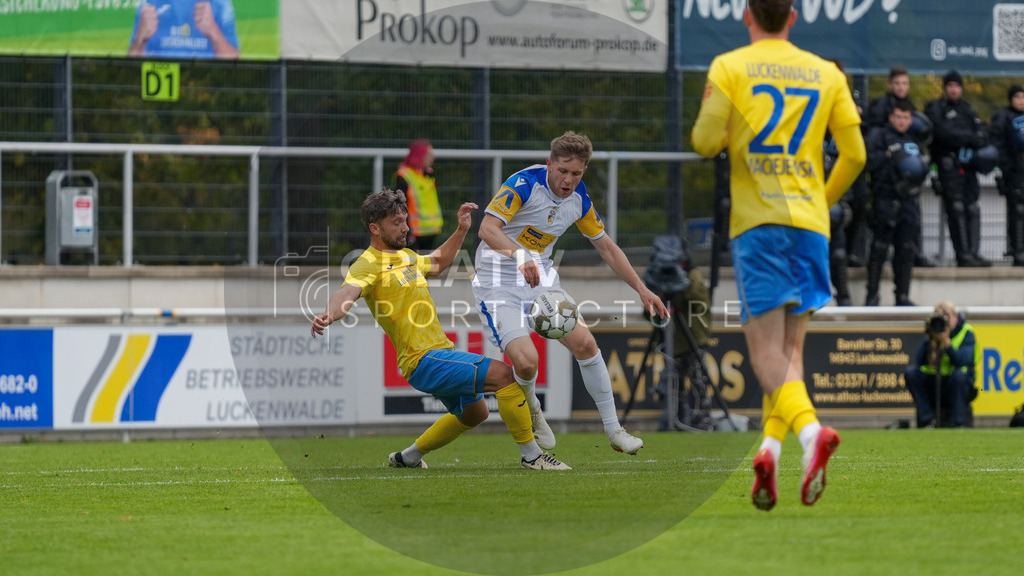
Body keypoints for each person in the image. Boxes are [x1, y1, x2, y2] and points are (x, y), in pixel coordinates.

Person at [691, 0, 864, 511]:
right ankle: (767, 452)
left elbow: (703, 142)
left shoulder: (730, 66)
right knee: (788, 356)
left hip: (760, 224)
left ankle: (811, 435)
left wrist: (727, 131)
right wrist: (820, 202)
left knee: (765, 354)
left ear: (747, 15)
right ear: (793, 16)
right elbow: (855, 156)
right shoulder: (826, 72)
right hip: (810, 225)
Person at [311, 189, 569, 471]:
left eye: (405, 220)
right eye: (396, 222)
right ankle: (532, 457)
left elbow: (436, 262)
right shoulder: (368, 263)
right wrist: (330, 314)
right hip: (423, 359)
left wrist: (461, 229)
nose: (405, 227)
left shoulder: (406, 256)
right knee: (506, 376)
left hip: (437, 355)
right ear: (375, 228)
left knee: (475, 414)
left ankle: (407, 457)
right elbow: (348, 291)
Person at [471, 130, 669, 456]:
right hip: (496, 284)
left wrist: (642, 289)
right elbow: (487, 229)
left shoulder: (580, 200)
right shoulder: (523, 184)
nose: (568, 179)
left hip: (541, 282)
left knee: (586, 343)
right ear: (550, 164)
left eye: (576, 173)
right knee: (527, 362)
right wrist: (519, 256)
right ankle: (533, 409)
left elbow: (606, 247)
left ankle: (615, 430)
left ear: (584, 172)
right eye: (562, 171)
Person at [865, 66, 937, 268]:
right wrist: (890, 152)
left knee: (907, 237)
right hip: (885, 186)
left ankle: (915, 257)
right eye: (897, 83)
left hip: (907, 187)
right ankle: (872, 295)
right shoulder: (879, 108)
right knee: (880, 242)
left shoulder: (912, 111)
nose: (901, 87)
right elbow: (870, 153)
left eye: (905, 83)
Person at [925, 70, 992, 267]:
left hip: (969, 167)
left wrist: (969, 137)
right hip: (948, 167)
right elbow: (943, 133)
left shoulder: (967, 109)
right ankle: (962, 254)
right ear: (945, 88)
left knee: (972, 207)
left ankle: (973, 253)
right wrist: (968, 137)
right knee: (956, 209)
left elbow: (982, 132)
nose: (954, 90)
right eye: (950, 86)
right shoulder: (936, 108)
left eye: (957, 86)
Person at [864, 100, 927, 306]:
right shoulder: (879, 135)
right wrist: (888, 156)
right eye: (898, 117)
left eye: (906, 118)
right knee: (880, 247)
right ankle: (872, 296)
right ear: (891, 117)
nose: (902, 121)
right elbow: (867, 162)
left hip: (909, 200)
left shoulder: (915, 139)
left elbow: (922, 166)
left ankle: (902, 295)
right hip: (885, 196)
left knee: (906, 248)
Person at [903, 301, 979, 428]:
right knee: (911, 372)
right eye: (939, 315)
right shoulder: (934, 330)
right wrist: (930, 338)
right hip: (934, 382)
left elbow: (963, 360)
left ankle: (958, 423)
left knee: (959, 376)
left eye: (946, 315)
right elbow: (919, 361)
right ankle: (927, 420)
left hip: (958, 384)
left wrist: (946, 343)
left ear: (955, 316)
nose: (943, 320)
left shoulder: (966, 332)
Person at [128, 1, 240, 59]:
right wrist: (140, 39)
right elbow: (128, 69)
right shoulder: (149, 3)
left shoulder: (219, 3)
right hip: (159, 96)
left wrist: (213, 31)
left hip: (205, 88)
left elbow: (235, 61)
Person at [990, 85, 1024, 266]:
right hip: (1013, 172)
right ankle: (1018, 250)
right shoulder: (1003, 117)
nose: (1021, 101)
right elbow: (997, 145)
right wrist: (1002, 169)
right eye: (1017, 97)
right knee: (1017, 210)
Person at [393, 139, 444, 251]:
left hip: (431, 229)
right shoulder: (404, 176)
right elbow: (400, 205)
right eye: (429, 154)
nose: (432, 158)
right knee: (410, 266)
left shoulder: (428, 174)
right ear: (420, 155)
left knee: (428, 266)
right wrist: (406, 228)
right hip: (413, 231)